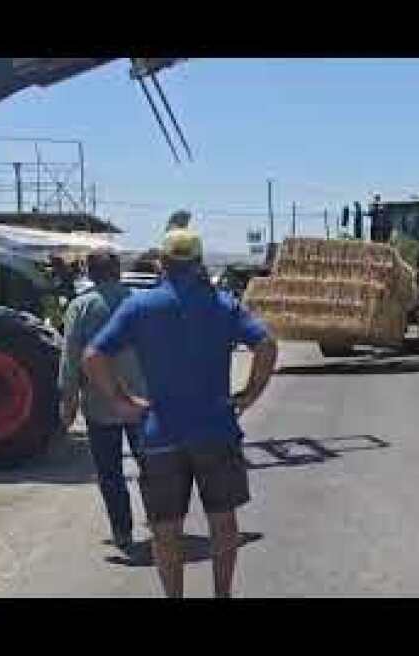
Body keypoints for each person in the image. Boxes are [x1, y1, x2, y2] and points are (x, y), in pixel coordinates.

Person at [83, 229, 278, 598]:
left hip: (161, 435)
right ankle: (222, 594)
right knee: (223, 523)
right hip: (216, 431)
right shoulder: (223, 305)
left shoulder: (140, 307)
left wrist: (121, 401)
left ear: (163, 262)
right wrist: (250, 394)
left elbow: (93, 356)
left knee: (166, 530)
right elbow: (266, 344)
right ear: (199, 261)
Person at [59, 248, 148, 551]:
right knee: (150, 464)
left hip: (100, 402)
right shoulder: (139, 303)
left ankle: (122, 532)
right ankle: (161, 521)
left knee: (110, 472)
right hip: (141, 402)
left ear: (89, 273)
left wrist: (68, 399)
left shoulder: (81, 306)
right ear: (118, 271)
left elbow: (71, 357)